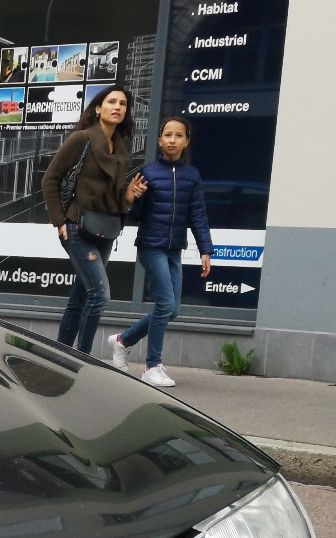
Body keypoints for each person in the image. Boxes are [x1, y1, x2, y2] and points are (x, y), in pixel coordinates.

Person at [40, 86, 147, 357]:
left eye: (123, 103)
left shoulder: (121, 149)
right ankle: (84, 357)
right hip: (78, 226)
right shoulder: (82, 138)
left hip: (106, 228)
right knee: (99, 296)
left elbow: (114, 196)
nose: (118, 107)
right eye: (111, 101)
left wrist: (129, 197)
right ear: (98, 108)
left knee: (80, 298)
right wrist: (59, 221)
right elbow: (50, 179)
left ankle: (60, 355)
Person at [107, 117, 212, 387]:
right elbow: (136, 214)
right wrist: (133, 197)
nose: (172, 140)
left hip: (174, 248)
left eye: (178, 135)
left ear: (186, 141)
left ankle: (123, 340)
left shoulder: (192, 176)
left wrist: (205, 250)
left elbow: (198, 215)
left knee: (172, 310)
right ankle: (152, 366)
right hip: (151, 246)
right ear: (159, 141)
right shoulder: (149, 173)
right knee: (165, 305)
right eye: (167, 135)